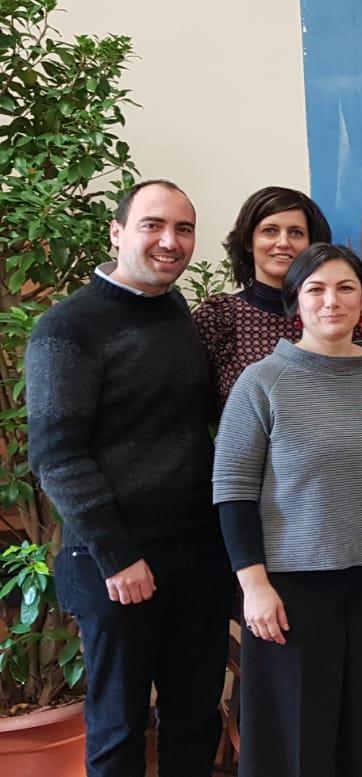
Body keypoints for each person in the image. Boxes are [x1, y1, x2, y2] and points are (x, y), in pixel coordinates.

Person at [28, 179, 233, 777]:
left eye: (183, 229)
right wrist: (118, 557)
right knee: (119, 725)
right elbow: (57, 456)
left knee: (195, 717)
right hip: (118, 564)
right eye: (153, 225)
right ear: (118, 233)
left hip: (197, 554)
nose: (170, 241)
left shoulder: (174, 312)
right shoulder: (67, 328)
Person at [212, 243, 362, 777]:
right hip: (293, 587)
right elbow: (233, 490)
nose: (331, 301)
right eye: (315, 289)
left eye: (345, 288)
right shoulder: (262, 381)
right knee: (298, 734)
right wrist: (254, 586)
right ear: (296, 302)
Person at [193, 186, 352, 402]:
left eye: (296, 232)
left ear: (311, 244)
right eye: (270, 230)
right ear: (249, 242)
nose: (283, 242)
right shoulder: (219, 318)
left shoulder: (333, 313)